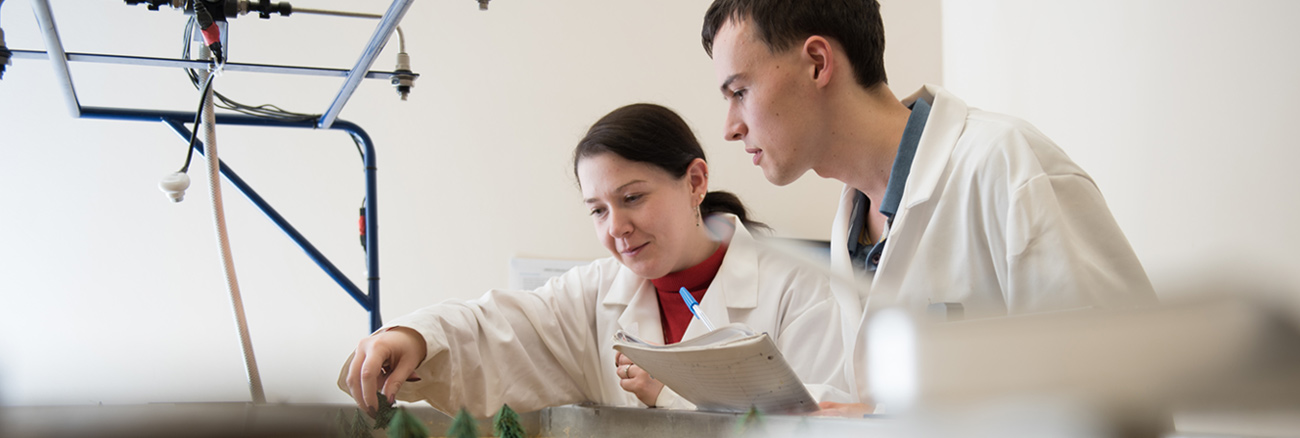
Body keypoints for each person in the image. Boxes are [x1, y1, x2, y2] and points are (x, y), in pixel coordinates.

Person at [701, 0, 1157, 414]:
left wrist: (881, 419)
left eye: (739, 92)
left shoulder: (1005, 167)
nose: (730, 128)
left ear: (817, 63)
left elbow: (1118, 395)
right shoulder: (853, 226)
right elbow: (878, 402)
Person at [338, 103, 850, 417]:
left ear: (695, 182)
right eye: (598, 210)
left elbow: (828, 414)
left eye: (632, 198)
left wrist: (676, 396)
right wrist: (413, 337)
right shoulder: (597, 294)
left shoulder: (799, 288)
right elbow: (498, 330)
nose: (616, 228)